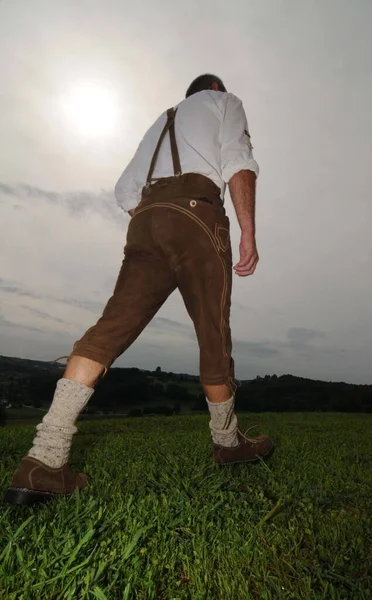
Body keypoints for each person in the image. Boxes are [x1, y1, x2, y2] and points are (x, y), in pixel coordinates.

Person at [4, 74, 274, 506]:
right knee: (212, 332)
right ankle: (227, 442)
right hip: (196, 214)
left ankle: (43, 458)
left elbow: (123, 190)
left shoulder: (161, 122)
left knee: (108, 330)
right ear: (216, 90)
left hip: (145, 221)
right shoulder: (224, 103)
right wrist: (248, 232)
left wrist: (157, 212)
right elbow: (238, 160)